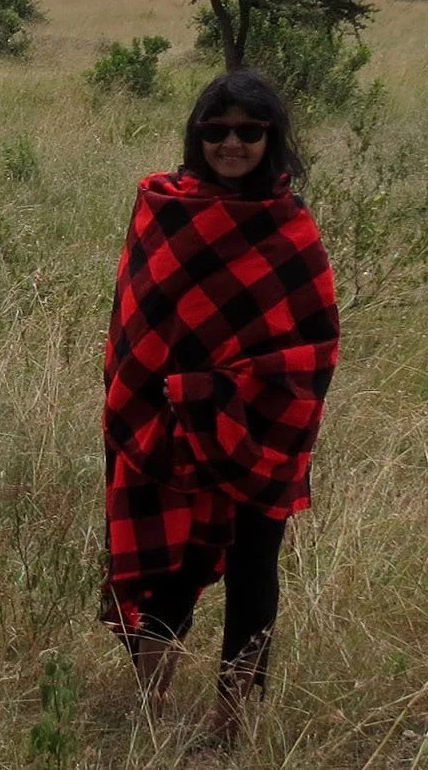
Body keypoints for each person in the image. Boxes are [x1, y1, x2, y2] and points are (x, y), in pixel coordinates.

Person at [99, 69, 341, 743]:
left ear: (272, 138)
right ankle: (149, 706)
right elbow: (137, 326)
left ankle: (230, 726)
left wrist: (232, 386)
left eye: (249, 131)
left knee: (254, 567)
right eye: (218, 130)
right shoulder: (163, 209)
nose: (232, 143)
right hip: (171, 425)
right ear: (197, 135)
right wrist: (174, 398)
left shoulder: (291, 229)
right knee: (175, 556)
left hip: (262, 428)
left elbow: (318, 343)